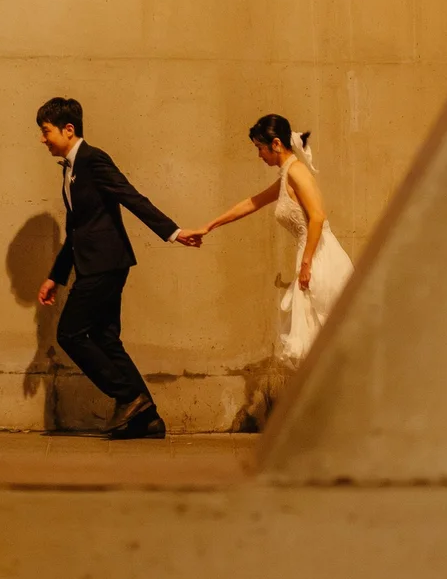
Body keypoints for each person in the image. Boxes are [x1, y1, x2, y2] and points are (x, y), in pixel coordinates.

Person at [35, 96, 202, 441]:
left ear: (69, 130)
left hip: (105, 263)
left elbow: (130, 196)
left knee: (70, 334)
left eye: (46, 131)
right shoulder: (71, 168)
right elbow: (75, 230)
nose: (42, 139)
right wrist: (55, 276)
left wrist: (173, 232)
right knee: (106, 339)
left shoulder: (93, 159)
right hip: (97, 263)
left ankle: (129, 397)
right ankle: (148, 420)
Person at [191, 114, 353, 368]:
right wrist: (208, 226)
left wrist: (307, 263)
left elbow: (318, 217)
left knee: (325, 337)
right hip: (310, 255)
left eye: (260, 148)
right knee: (319, 343)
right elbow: (252, 203)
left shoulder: (297, 172)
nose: (259, 155)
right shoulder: (288, 173)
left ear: (276, 144)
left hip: (320, 258)